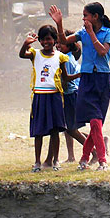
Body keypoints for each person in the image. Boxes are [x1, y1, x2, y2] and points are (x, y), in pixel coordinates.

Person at [50, 2, 110, 170]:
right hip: (87, 80)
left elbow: (102, 52)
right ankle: (102, 160)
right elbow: (63, 40)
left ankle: (84, 159)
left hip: (103, 79)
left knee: (96, 122)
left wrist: (91, 33)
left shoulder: (108, 33)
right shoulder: (82, 33)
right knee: (94, 121)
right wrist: (59, 23)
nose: (83, 18)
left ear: (95, 17)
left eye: (86, 15)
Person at [19, 25, 71, 172]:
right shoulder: (35, 54)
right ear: (40, 41)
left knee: (55, 130)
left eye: (48, 39)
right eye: (42, 39)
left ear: (54, 40)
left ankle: (56, 160)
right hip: (39, 96)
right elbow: (22, 55)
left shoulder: (60, 56)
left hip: (54, 96)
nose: (45, 42)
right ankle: (37, 161)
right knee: (39, 130)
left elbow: (65, 77)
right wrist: (26, 43)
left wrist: (81, 75)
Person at [56, 32, 87, 164]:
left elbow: (66, 80)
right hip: (69, 95)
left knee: (72, 129)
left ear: (69, 45)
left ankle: (95, 150)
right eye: (57, 43)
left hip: (70, 95)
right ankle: (71, 156)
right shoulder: (65, 57)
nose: (57, 45)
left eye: (61, 43)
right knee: (68, 128)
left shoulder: (66, 59)